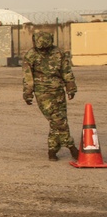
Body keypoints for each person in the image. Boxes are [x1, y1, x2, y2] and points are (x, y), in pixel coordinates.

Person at [22, 31, 79, 161]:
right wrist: (28, 93)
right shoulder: (31, 55)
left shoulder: (58, 53)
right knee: (58, 120)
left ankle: (52, 151)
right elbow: (28, 76)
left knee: (58, 120)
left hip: (58, 90)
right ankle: (71, 147)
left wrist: (71, 87)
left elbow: (66, 71)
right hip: (43, 93)